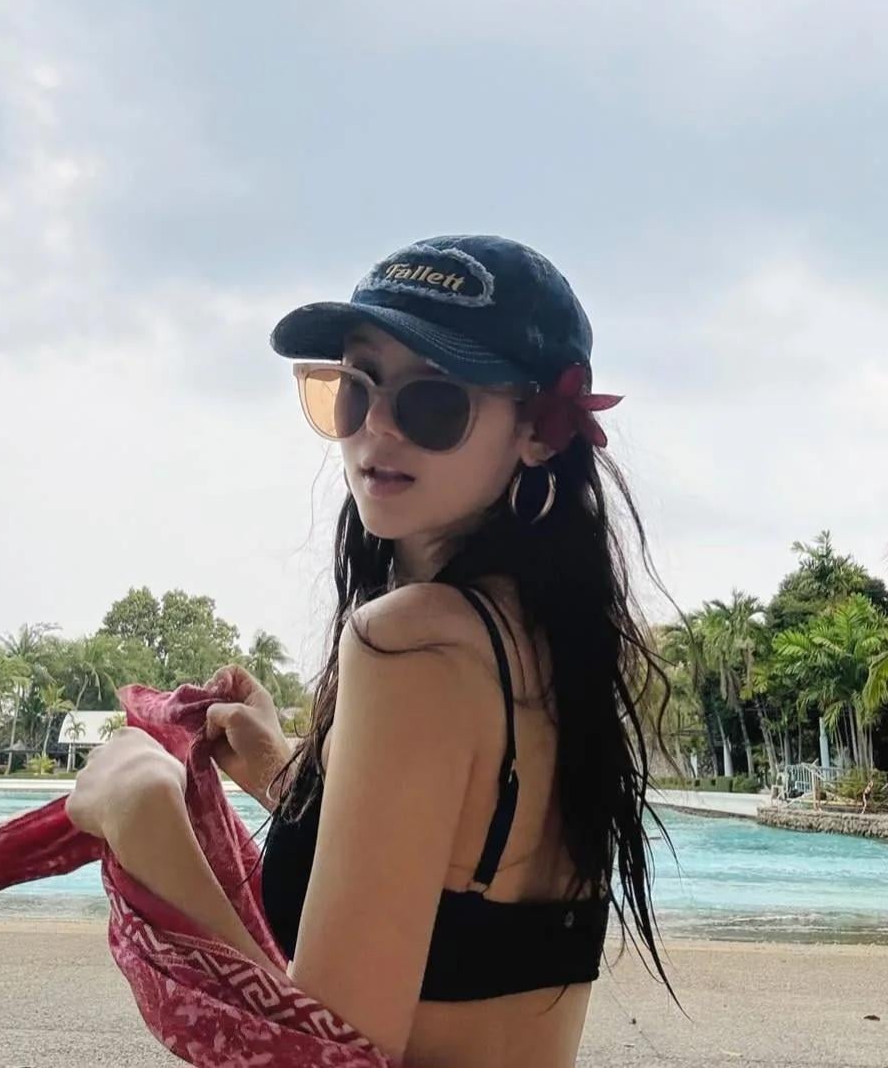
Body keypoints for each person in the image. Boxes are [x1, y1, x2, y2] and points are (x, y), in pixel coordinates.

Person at [68, 234, 673, 1068]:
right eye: (353, 391)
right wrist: (286, 771)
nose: (377, 428)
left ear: (537, 428)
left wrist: (140, 812)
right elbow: (457, 883)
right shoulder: (542, 642)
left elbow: (324, 1053)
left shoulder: (410, 640)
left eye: (433, 402)